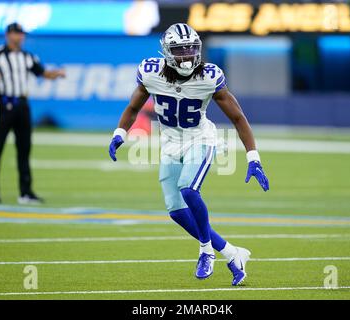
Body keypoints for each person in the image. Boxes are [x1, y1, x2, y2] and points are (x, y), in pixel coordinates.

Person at [109, 23, 269, 286]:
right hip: (170, 143)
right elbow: (133, 107)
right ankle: (232, 254)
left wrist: (254, 158)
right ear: (167, 52)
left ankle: (206, 250)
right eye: (180, 49)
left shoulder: (209, 76)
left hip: (201, 139)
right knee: (176, 210)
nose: (187, 55)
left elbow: (238, 118)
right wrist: (120, 133)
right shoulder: (151, 73)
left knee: (188, 190)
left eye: (191, 48)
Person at [0, 23, 66, 204]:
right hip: (3, 104)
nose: (21, 37)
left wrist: (57, 74)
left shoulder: (27, 56)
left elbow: (43, 73)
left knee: (24, 149)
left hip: (22, 105)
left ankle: (25, 192)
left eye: (22, 34)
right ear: (9, 35)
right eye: (18, 33)